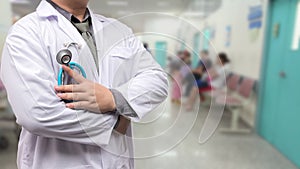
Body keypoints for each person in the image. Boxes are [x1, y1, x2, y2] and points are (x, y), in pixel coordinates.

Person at [0, 0, 168, 168]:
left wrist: (113, 98)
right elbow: (38, 114)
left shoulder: (119, 31)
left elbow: (157, 80)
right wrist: (115, 124)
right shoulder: (26, 32)